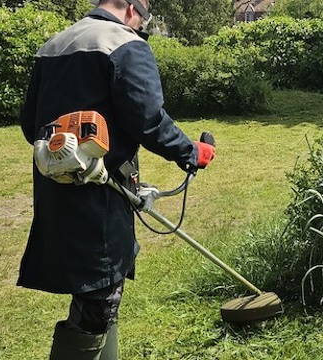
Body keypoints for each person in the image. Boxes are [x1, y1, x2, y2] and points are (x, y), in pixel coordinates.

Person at [17, 0, 216, 359]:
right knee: (100, 294)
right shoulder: (124, 43)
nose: (142, 25)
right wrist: (192, 152)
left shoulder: (54, 45)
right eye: (144, 17)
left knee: (98, 288)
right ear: (130, 8)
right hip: (99, 193)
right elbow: (148, 120)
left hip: (56, 187)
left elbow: (31, 126)